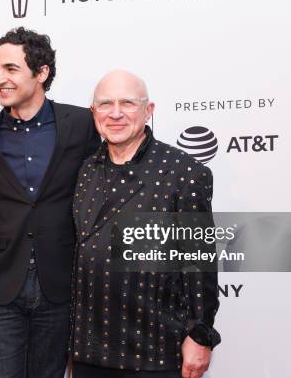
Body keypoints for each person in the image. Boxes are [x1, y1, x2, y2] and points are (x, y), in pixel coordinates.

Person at [0, 27, 101, 378]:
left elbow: (102, 190)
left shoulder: (81, 124)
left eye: (11, 69)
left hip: (59, 285)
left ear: (41, 74)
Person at [70, 70, 221, 378]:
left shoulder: (183, 173)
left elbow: (199, 263)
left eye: (127, 103)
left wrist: (200, 335)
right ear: (93, 112)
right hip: (88, 349)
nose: (115, 113)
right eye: (105, 104)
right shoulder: (84, 170)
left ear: (148, 111)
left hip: (154, 350)